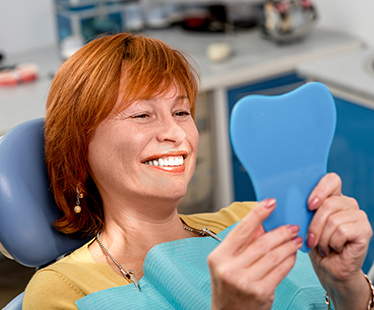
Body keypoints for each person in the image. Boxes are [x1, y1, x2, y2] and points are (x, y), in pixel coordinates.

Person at [23, 33, 373, 310]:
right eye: (142, 115)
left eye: (181, 112)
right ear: (79, 146)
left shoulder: (254, 220)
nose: (176, 133)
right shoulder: (64, 291)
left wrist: (349, 290)